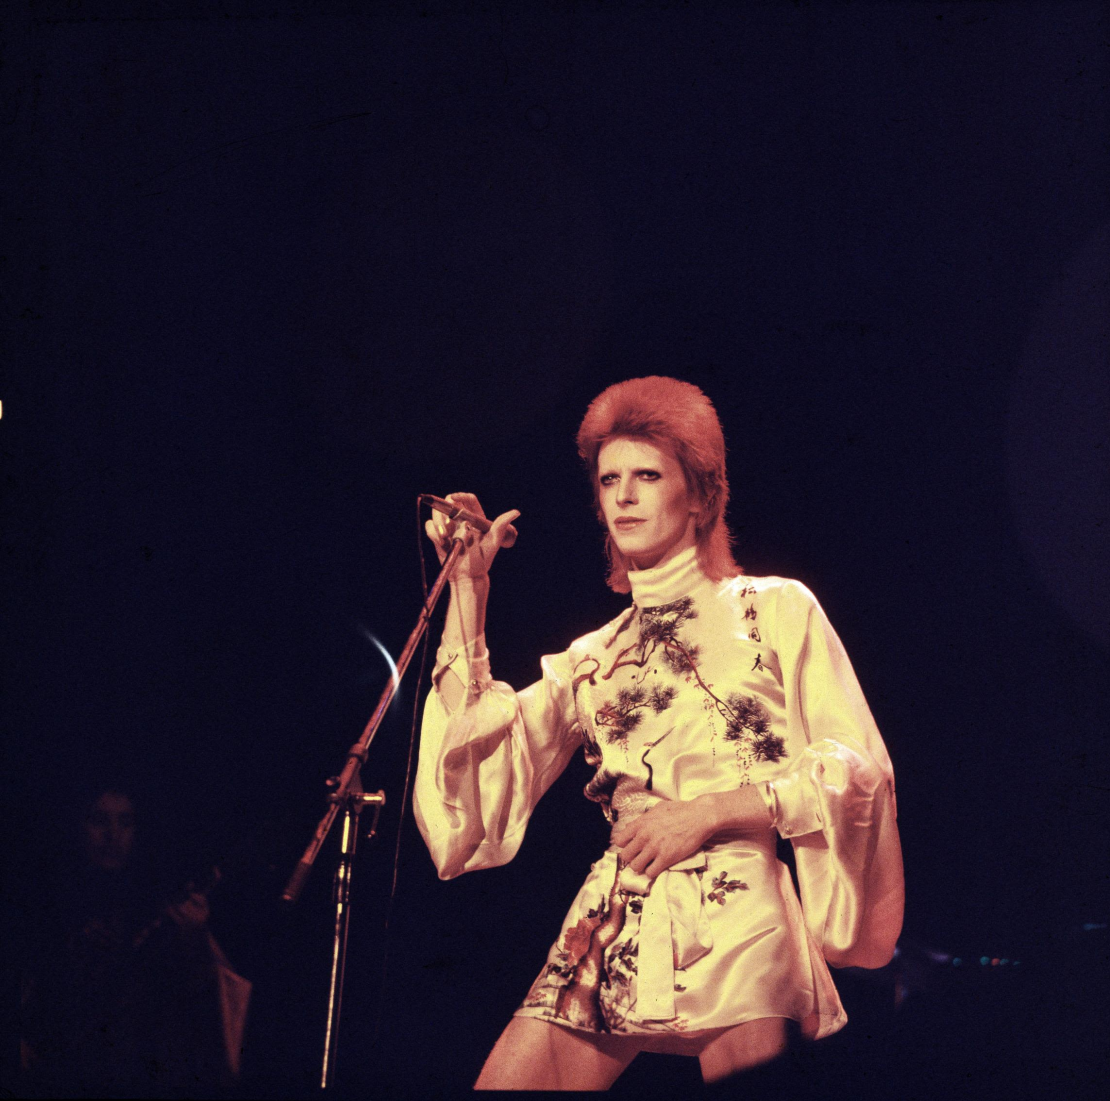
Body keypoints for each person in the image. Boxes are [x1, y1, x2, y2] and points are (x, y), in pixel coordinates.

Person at [414, 376, 904, 1090]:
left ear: (700, 494)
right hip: (617, 909)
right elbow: (486, 761)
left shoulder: (773, 610)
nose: (625, 494)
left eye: (648, 474)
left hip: (738, 912)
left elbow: (855, 767)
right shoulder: (594, 654)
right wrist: (469, 588)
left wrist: (711, 810)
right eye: (610, 479)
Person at [20, 787, 251, 1098]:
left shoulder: (151, 902)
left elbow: (200, 1006)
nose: (112, 835)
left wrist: (192, 938)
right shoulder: (42, 903)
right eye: (99, 821)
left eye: (125, 822)